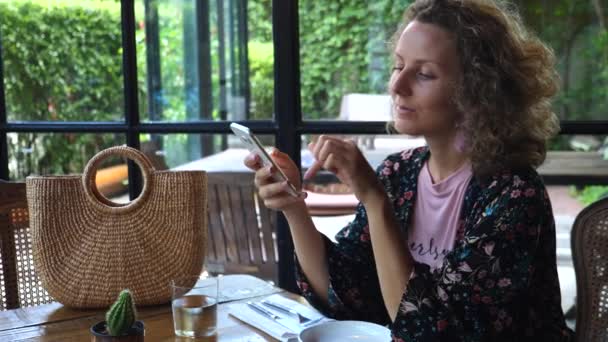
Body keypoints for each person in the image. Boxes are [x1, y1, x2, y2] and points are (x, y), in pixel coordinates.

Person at [244, 0, 574, 340]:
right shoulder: (398, 172)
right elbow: (349, 295)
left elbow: (433, 333)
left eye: (424, 73)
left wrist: (375, 200)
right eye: (397, 66)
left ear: (478, 91)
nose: (397, 86)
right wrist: (294, 207)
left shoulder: (513, 195)